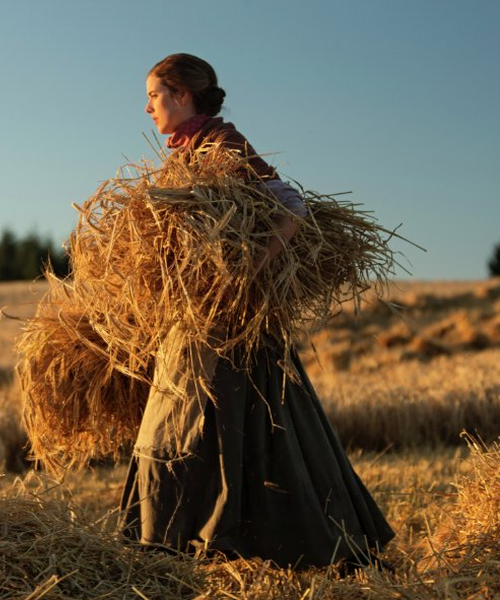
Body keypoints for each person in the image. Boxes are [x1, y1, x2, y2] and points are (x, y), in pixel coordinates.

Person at [119, 53, 395, 569]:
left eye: (154, 95)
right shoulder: (188, 150)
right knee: (178, 424)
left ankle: (250, 545)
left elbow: (290, 204)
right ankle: (184, 544)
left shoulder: (221, 145)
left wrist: (248, 270)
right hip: (196, 321)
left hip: (231, 326)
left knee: (235, 425)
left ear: (182, 95)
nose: (147, 107)